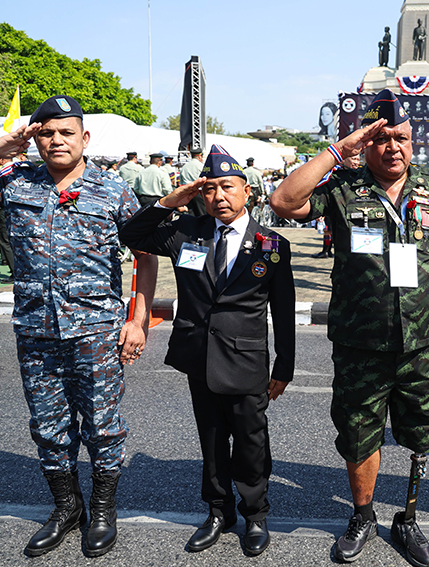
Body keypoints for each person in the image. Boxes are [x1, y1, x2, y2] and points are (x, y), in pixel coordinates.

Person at [270, 88, 429, 566]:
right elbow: (282, 200)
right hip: (361, 342)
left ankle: (409, 515)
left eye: (400, 138)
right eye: (382, 140)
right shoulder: (342, 189)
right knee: (360, 432)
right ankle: (363, 516)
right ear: (367, 143)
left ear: (412, 140)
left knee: (421, 431)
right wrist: (343, 148)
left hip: (420, 341)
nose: (393, 148)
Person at [0, 95, 158, 557]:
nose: (56, 141)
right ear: (35, 139)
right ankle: (66, 508)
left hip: (96, 330)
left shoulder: (113, 190)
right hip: (36, 329)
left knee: (103, 425)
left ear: (84, 138)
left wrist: (138, 320)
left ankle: (103, 508)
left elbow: (146, 257)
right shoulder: (14, 180)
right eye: (46, 132)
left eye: (66, 132)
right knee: (48, 425)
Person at [120, 144, 294, 557]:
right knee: (211, 439)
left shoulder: (271, 244)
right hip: (199, 356)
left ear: (247, 191)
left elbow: (283, 310)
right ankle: (219, 512)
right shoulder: (187, 231)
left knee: (251, 441)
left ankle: (255, 514)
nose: (219, 197)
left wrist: (284, 364)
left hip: (247, 360)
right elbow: (131, 235)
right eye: (210, 189)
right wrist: (169, 201)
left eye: (228, 187)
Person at [179, 147, 206, 217]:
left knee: (190, 214)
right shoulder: (201, 166)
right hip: (198, 193)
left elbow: (181, 183)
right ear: (200, 156)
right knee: (202, 214)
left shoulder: (184, 167)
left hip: (187, 192)